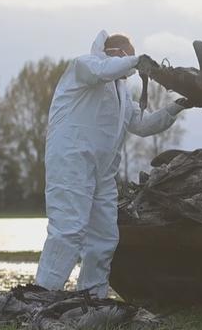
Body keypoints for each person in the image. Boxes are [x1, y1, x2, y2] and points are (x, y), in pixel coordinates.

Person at [35, 30, 192, 297]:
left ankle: (92, 297)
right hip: (72, 161)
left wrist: (178, 106)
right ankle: (41, 297)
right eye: (128, 60)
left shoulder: (120, 91)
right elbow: (103, 70)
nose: (131, 71)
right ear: (116, 53)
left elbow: (141, 125)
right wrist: (137, 61)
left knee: (104, 237)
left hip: (103, 172)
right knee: (68, 230)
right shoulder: (83, 66)